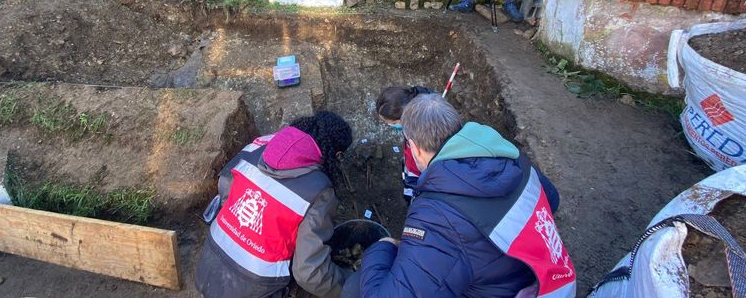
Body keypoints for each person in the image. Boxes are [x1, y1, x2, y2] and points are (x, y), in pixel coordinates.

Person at [348, 94, 576, 298]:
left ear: (415, 148)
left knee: (354, 288)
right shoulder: (510, 156)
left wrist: (382, 247)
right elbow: (552, 199)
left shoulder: (438, 217)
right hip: (554, 277)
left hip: (528, 291)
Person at [195, 111, 353, 298]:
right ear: (336, 153)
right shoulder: (319, 190)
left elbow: (225, 184)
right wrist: (353, 286)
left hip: (207, 268)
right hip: (253, 288)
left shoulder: (258, 145)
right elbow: (308, 273)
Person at [375, 85, 435, 203]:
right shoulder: (412, 118)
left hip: (420, 171)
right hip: (411, 162)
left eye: (392, 123)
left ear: (404, 118)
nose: (391, 126)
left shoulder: (424, 133)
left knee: (415, 195)